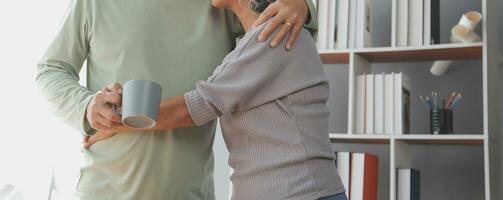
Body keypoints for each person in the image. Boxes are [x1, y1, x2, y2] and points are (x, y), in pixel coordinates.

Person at [36, 0, 317, 199]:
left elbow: (287, 39)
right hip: (104, 190)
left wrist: (302, 5)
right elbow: (51, 69)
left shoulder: (221, 4)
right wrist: (85, 106)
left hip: (189, 192)